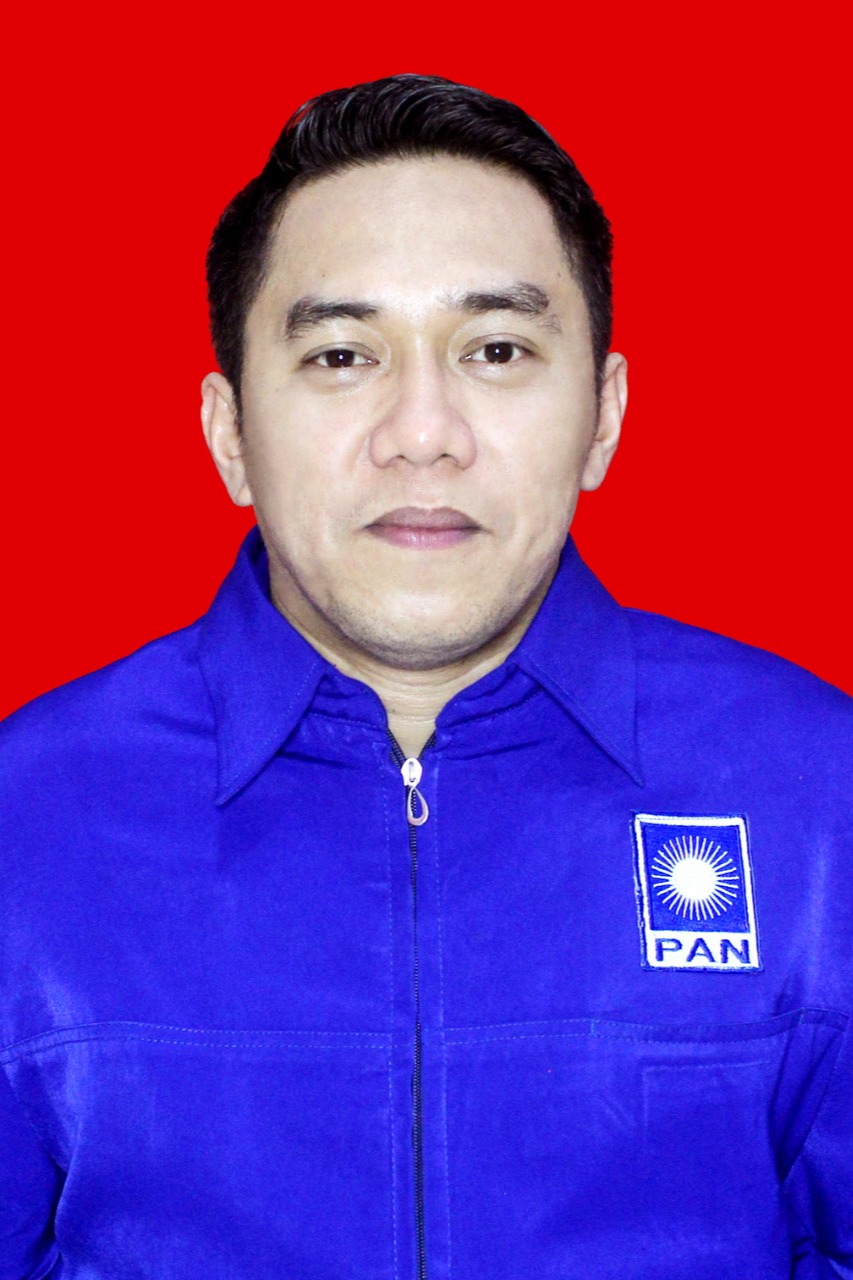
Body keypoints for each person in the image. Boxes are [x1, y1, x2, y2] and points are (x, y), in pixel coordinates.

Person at [1, 73, 850, 1280]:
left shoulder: (815, 791)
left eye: (495, 349)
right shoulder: (31, 813)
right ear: (229, 432)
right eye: (342, 353)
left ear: (603, 413)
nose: (421, 431)